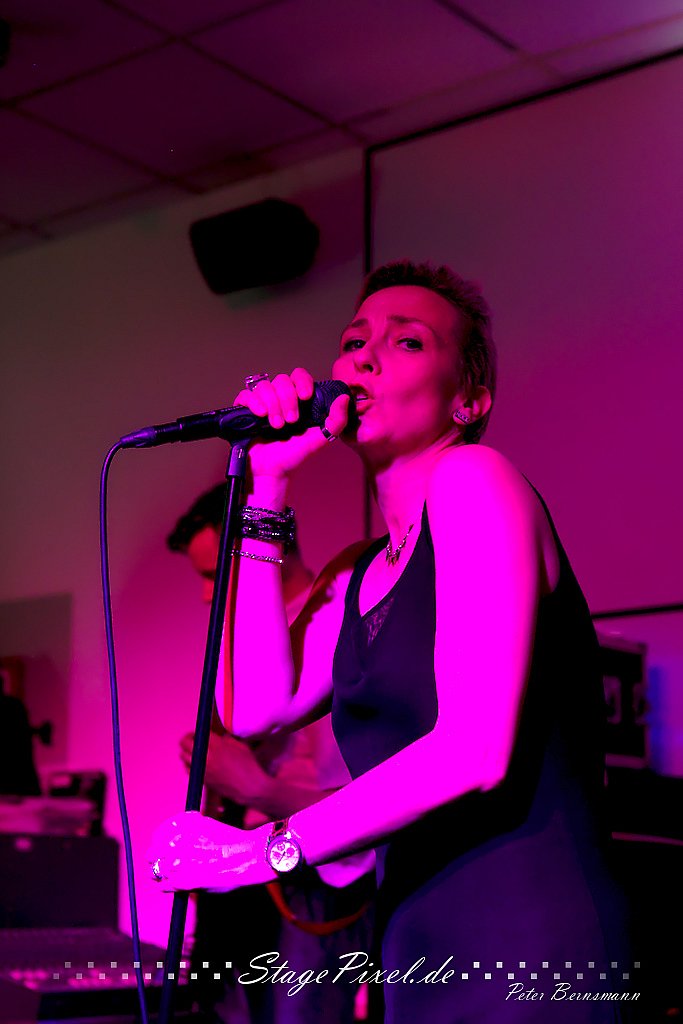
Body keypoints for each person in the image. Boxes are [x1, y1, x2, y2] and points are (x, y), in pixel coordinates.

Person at [150, 261, 640, 1022]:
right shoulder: (357, 574)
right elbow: (255, 710)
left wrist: (262, 851)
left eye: (406, 342)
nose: (365, 360)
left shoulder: (475, 478)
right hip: (417, 943)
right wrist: (267, 488)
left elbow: (473, 750)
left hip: (529, 938)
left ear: (469, 399)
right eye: (353, 342)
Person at [167, 485, 376, 1024]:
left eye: (213, 575)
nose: (205, 595)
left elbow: (370, 796)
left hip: (312, 878)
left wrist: (257, 787)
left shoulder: (334, 625)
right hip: (243, 872)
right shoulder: (245, 637)